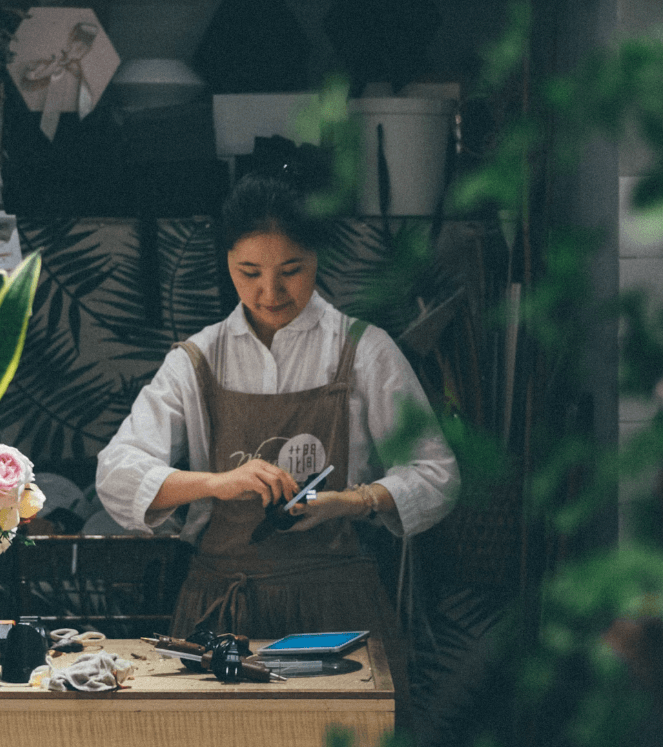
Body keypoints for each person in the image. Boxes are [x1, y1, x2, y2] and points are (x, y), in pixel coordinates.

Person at [95, 173, 459, 689]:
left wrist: (350, 502)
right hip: (220, 614)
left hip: (339, 611)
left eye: (291, 269)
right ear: (227, 263)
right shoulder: (197, 360)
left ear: (318, 258)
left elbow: (437, 474)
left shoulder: (364, 350)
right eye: (249, 272)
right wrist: (218, 483)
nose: (270, 292)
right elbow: (116, 472)